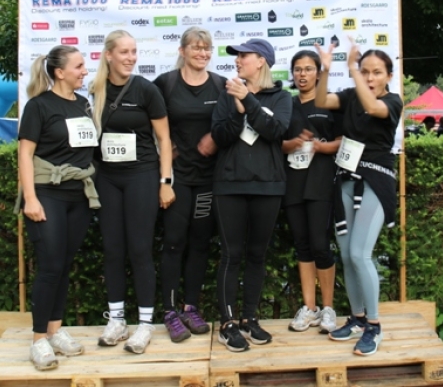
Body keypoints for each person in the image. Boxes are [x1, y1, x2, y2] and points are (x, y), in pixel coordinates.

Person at [315, 40, 402, 356]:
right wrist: (326, 69)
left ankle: (374, 326)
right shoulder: (351, 95)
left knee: (360, 253)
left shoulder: (392, 101)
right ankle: (357, 317)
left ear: (388, 76)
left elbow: (373, 108)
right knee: (347, 254)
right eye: (365, 71)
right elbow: (322, 99)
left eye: (376, 72)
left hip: (376, 181)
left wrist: (351, 67)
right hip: (346, 179)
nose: (369, 77)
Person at [90, 30, 175, 354]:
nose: (130, 57)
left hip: (141, 176)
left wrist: (165, 182)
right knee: (112, 249)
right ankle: (116, 320)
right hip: (108, 178)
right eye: (124, 52)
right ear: (109, 55)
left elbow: (164, 139)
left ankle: (145, 324)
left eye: (134, 51)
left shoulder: (146, 89)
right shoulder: (95, 90)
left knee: (140, 250)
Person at [17, 46, 99, 370]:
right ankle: (38, 340)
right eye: (79, 66)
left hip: (78, 196)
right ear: (60, 72)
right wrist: (30, 198)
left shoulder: (83, 104)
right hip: (47, 194)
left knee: (64, 265)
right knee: (50, 266)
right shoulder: (38, 106)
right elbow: (25, 154)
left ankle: (54, 330)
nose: (84, 71)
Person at [212, 38, 292, 352]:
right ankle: (228, 323)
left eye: (243, 55)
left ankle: (249, 318)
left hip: (268, 186)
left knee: (257, 255)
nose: (237, 60)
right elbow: (220, 136)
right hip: (229, 185)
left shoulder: (282, 97)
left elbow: (276, 131)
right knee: (231, 255)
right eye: (237, 56)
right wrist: (237, 109)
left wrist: (249, 101)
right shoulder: (227, 94)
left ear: (261, 61)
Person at [153, 27, 225, 343]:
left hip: (209, 179)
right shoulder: (165, 84)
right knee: (173, 242)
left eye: (207, 48)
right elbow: (151, 127)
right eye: (196, 47)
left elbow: (231, 124)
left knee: (200, 243)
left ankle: (191, 307)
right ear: (182, 51)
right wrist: (166, 160)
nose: (202, 53)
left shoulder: (221, 85)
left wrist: (216, 137)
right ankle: (170, 311)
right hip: (177, 179)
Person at [282, 50, 342, 334]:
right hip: (293, 181)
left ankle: (328, 308)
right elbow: (278, 143)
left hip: (321, 180)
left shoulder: (330, 103)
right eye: (298, 69)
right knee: (302, 244)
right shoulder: (287, 104)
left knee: (320, 244)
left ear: (318, 73)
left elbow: (343, 140)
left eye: (308, 69)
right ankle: (310, 308)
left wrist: (322, 146)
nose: (302, 74)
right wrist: (293, 143)